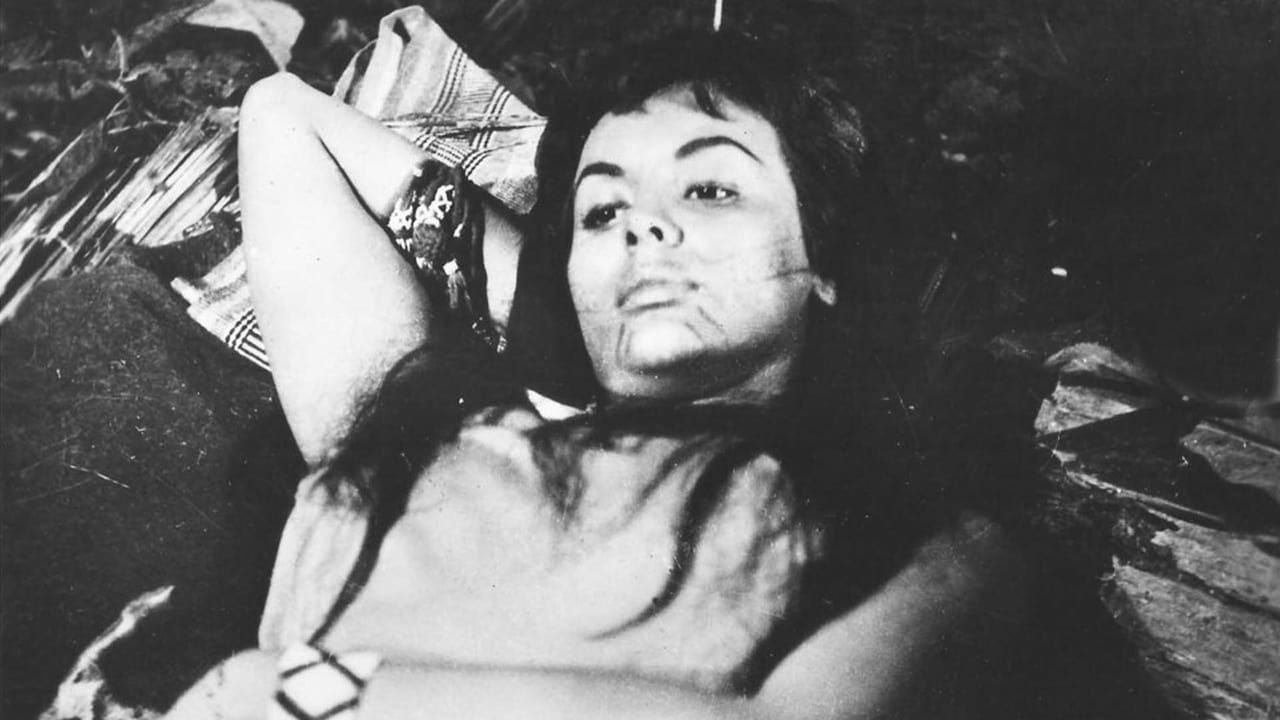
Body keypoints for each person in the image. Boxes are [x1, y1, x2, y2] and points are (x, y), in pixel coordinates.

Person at [165, 30, 1029, 720]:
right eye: (604, 209)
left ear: (826, 263)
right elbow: (283, 117)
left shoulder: (914, 530)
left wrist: (284, 696)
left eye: (711, 190)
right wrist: (557, 309)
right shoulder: (421, 427)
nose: (641, 227)